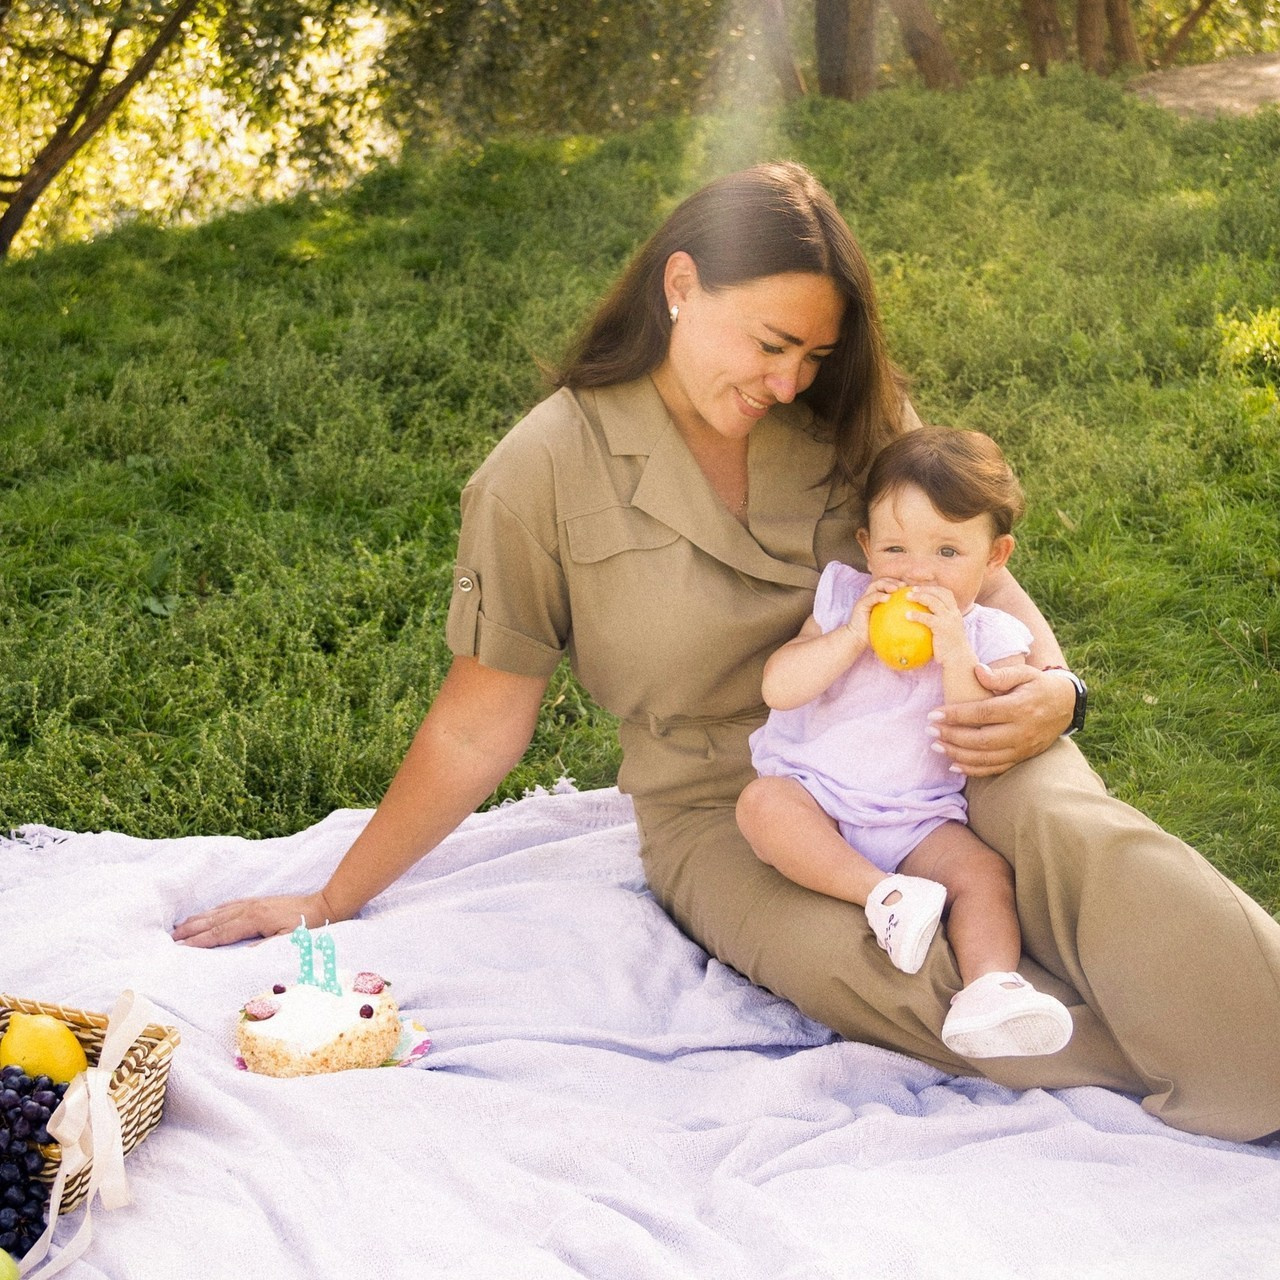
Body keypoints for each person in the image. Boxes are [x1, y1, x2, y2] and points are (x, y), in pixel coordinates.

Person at [173, 161, 1280, 1143]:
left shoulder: (849, 413)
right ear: (679, 285)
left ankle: (1258, 1032)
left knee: (1081, 843)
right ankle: (1198, 1063)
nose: (793, 380)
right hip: (726, 795)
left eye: (814, 351)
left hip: (937, 721)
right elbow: (478, 720)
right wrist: (330, 895)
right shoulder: (539, 470)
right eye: (769, 342)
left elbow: (969, 564)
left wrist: (1054, 686)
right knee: (897, 970)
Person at [737, 427, 1073, 1059]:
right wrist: (850, 638)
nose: (918, 572)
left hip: (917, 817)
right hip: (816, 793)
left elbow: (972, 731)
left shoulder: (992, 635)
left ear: (995, 557)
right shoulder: (844, 599)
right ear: (866, 546)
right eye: (895, 548)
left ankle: (990, 988)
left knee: (983, 876)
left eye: (948, 552)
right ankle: (881, 894)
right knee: (760, 807)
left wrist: (954, 653)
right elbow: (780, 687)